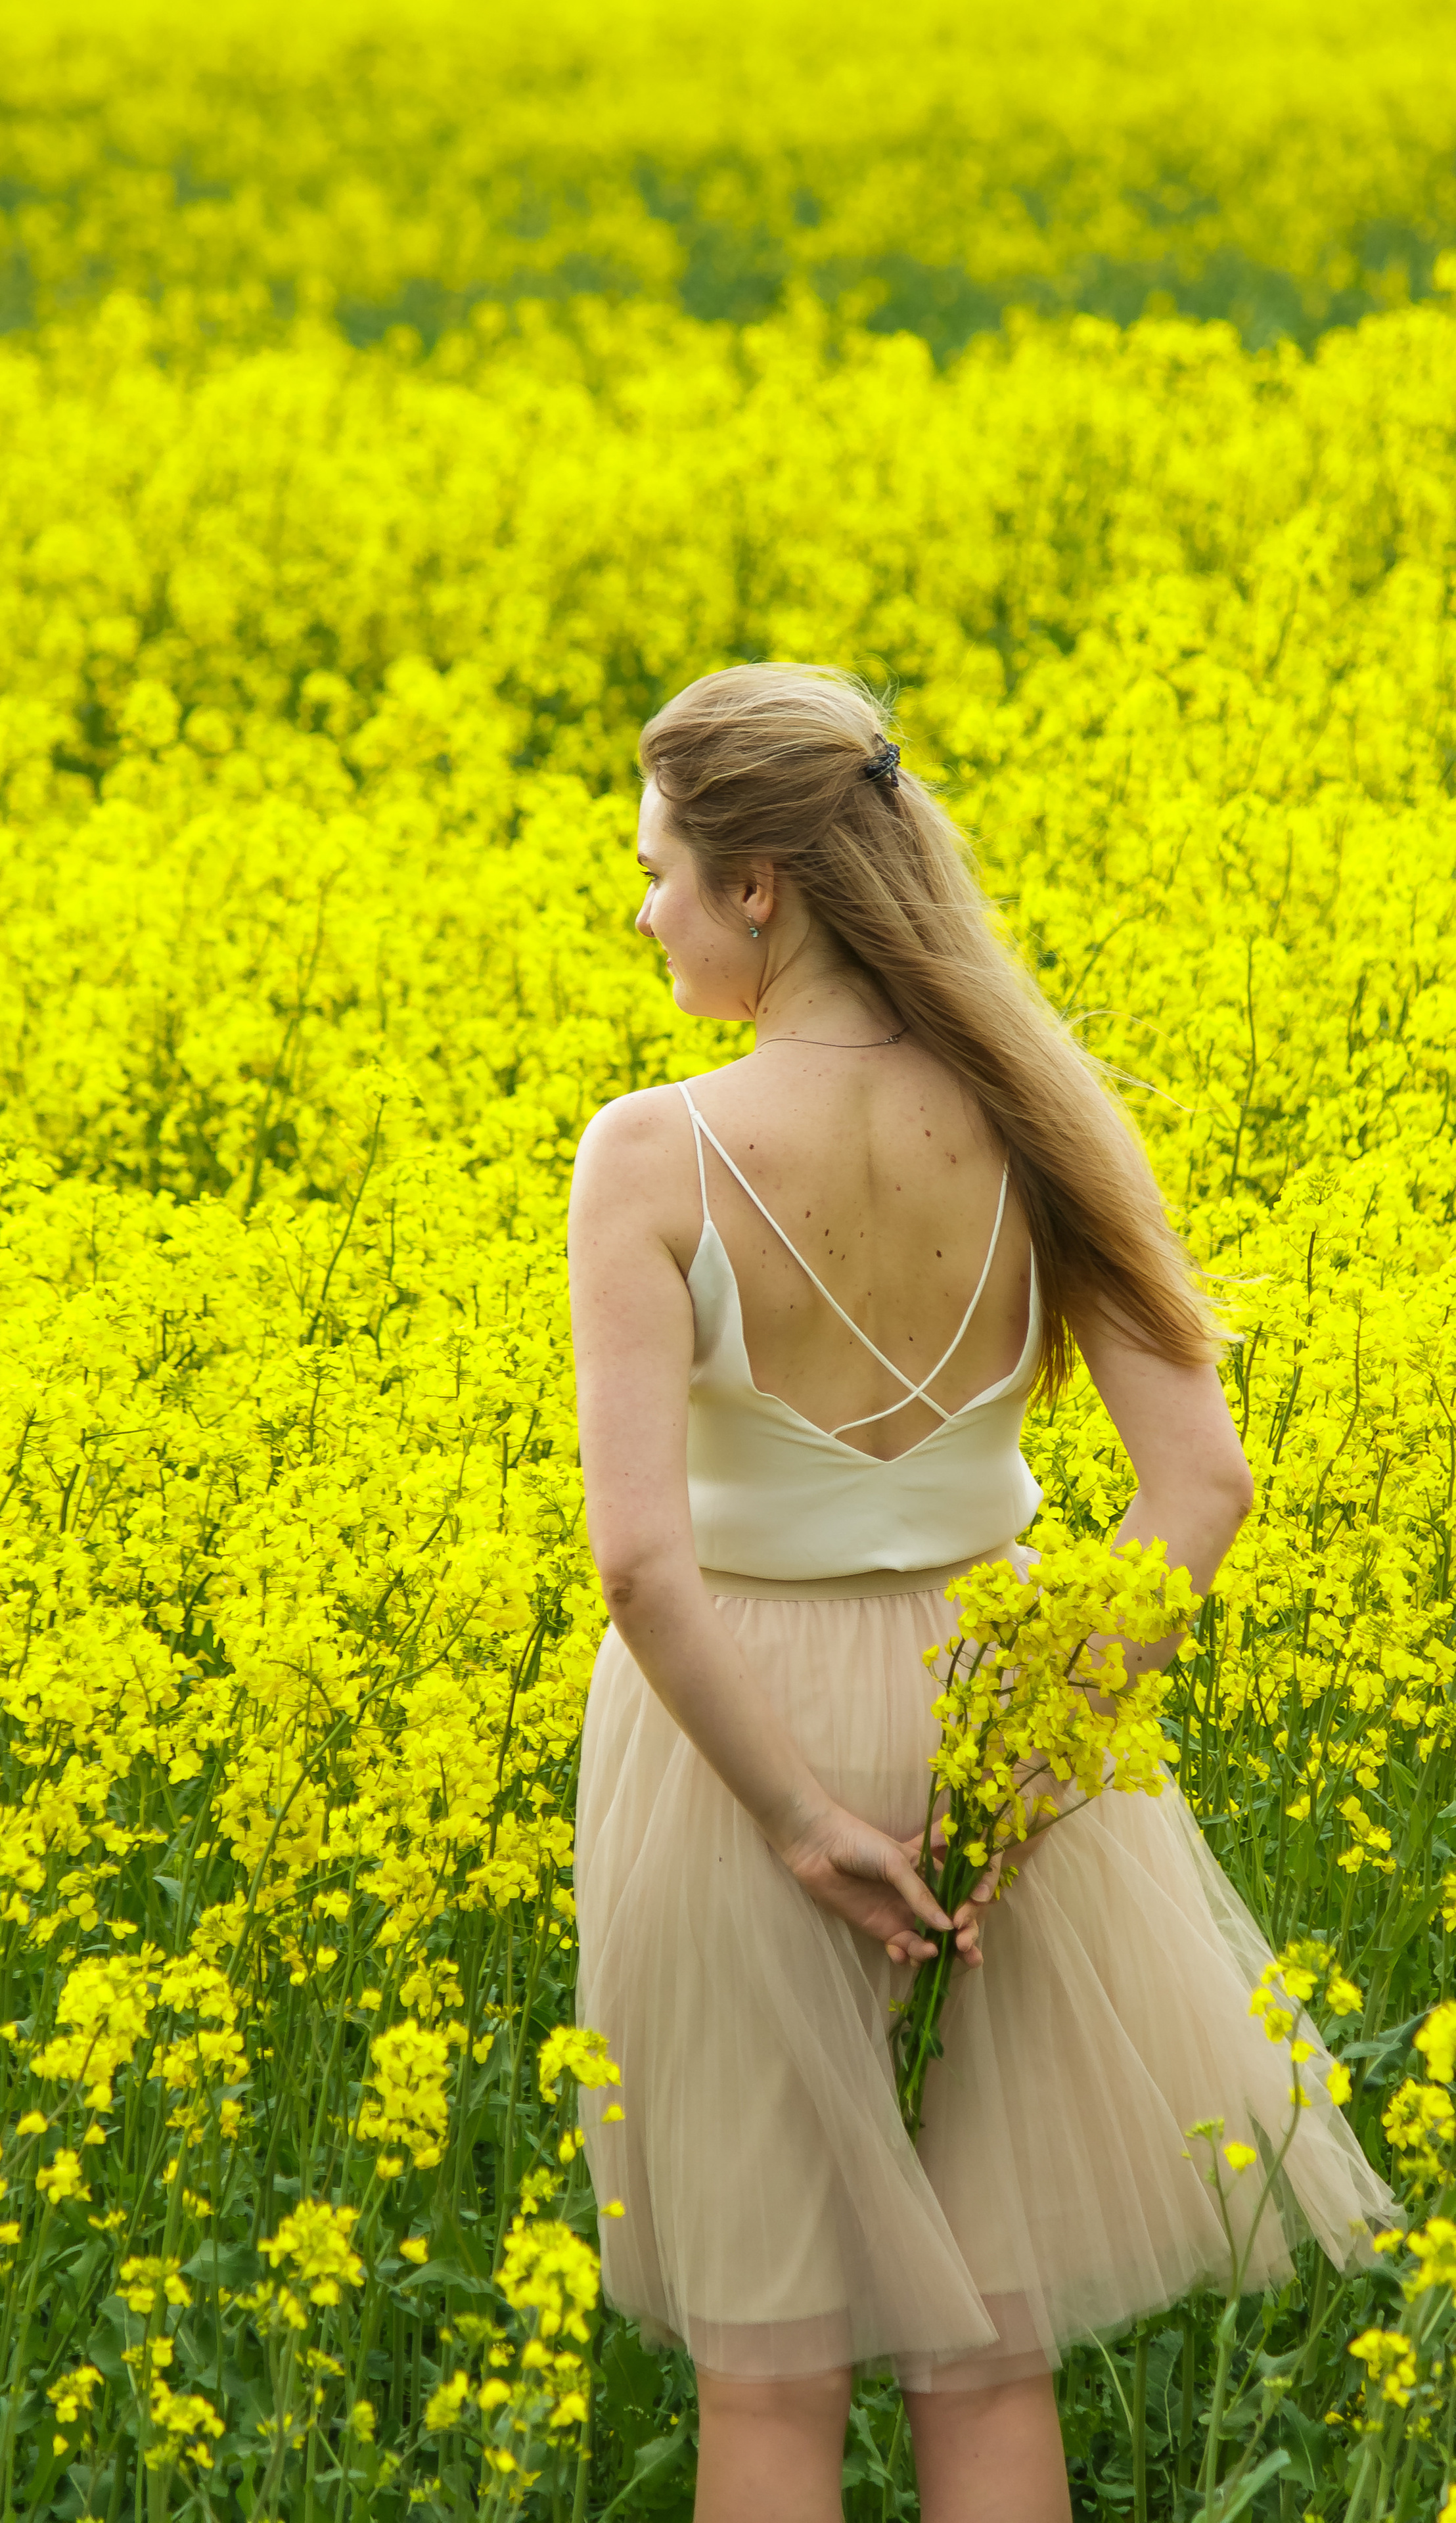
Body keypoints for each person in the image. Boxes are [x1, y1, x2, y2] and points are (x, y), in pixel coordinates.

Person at [566, 665, 1396, 2523]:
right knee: (987, 2346)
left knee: (772, 2375)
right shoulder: (1032, 1103)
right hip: (998, 1703)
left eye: (662, 875)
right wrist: (1042, 1744)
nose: (645, 914)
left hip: (736, 1731)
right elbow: (1205, 1484)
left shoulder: (652, 1153)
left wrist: (796, 1817)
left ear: (761, 885)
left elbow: (639, 1562)